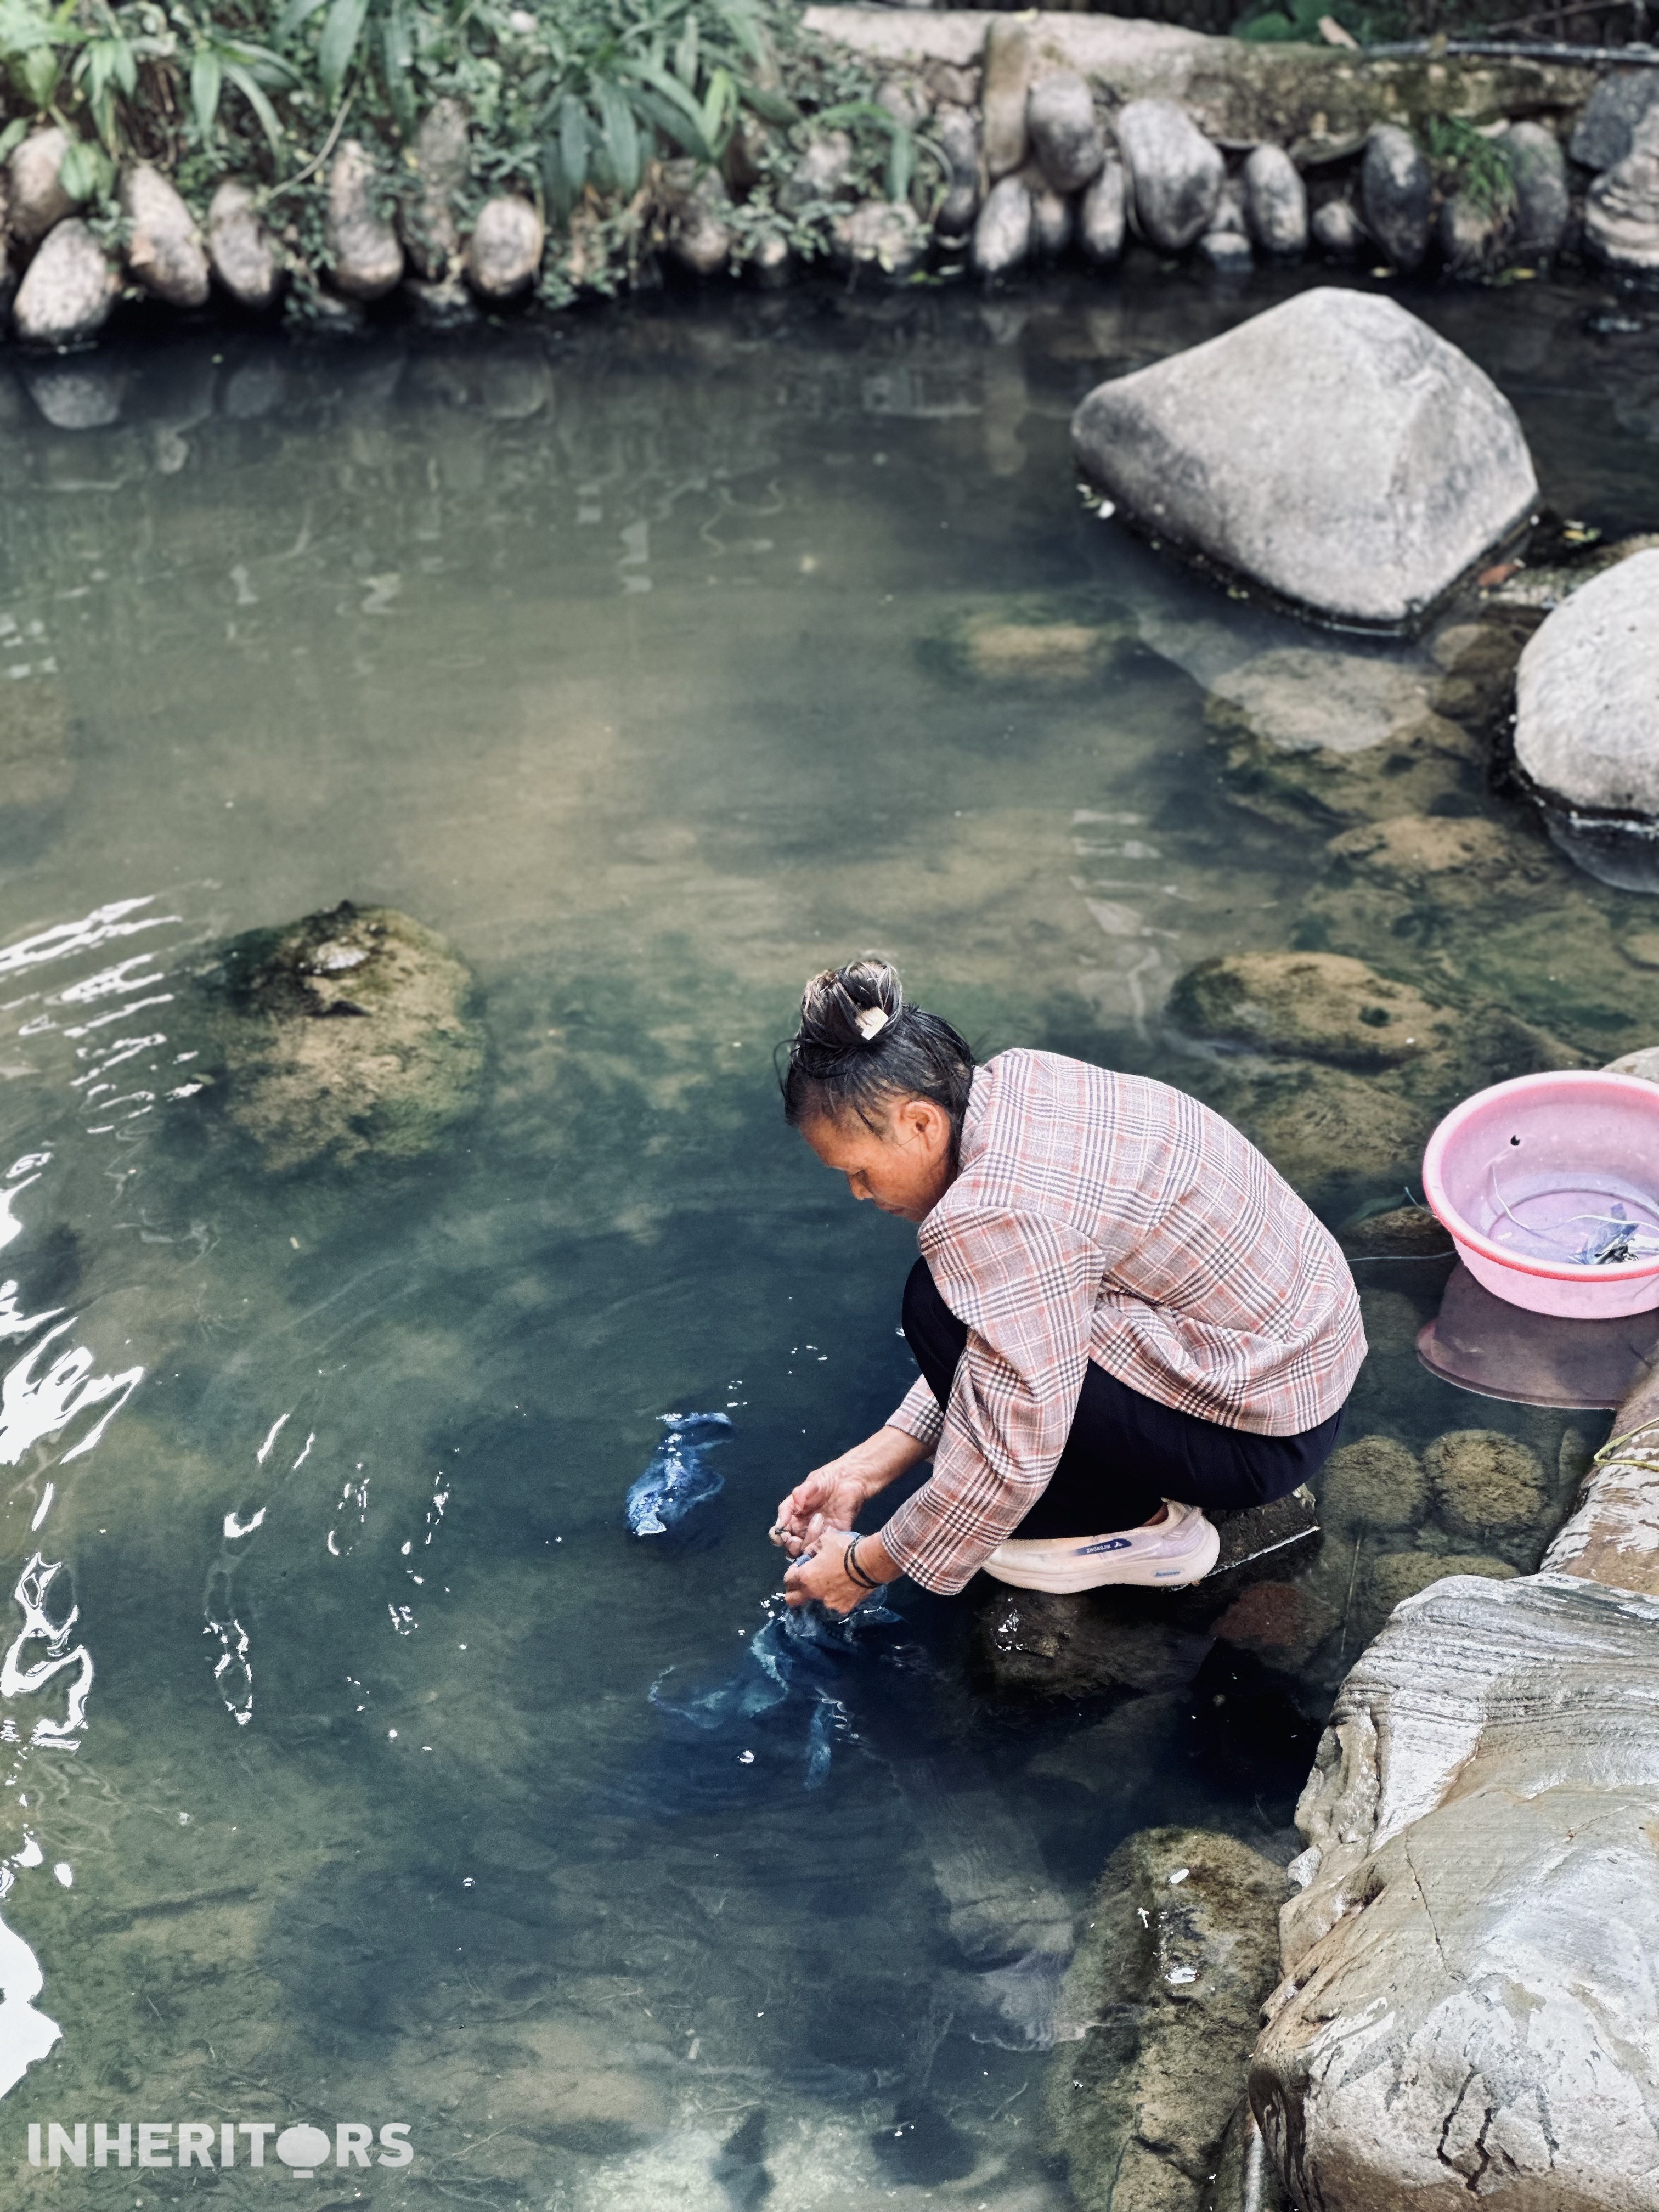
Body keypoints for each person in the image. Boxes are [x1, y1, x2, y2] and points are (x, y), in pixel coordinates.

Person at [771, 957, 1365, 1616]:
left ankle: (1142, 1532)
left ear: (920, 1123)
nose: (859, 1192)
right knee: (964, 1303)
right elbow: (1022, 1323)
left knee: (935, 1304)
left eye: (858, 1170)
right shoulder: (1021, 1080)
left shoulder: (991, 1215)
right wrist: (867, 1466)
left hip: (1259, 1438)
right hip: (1308, 1366)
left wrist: (866, 1564)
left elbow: (1011, 1452)